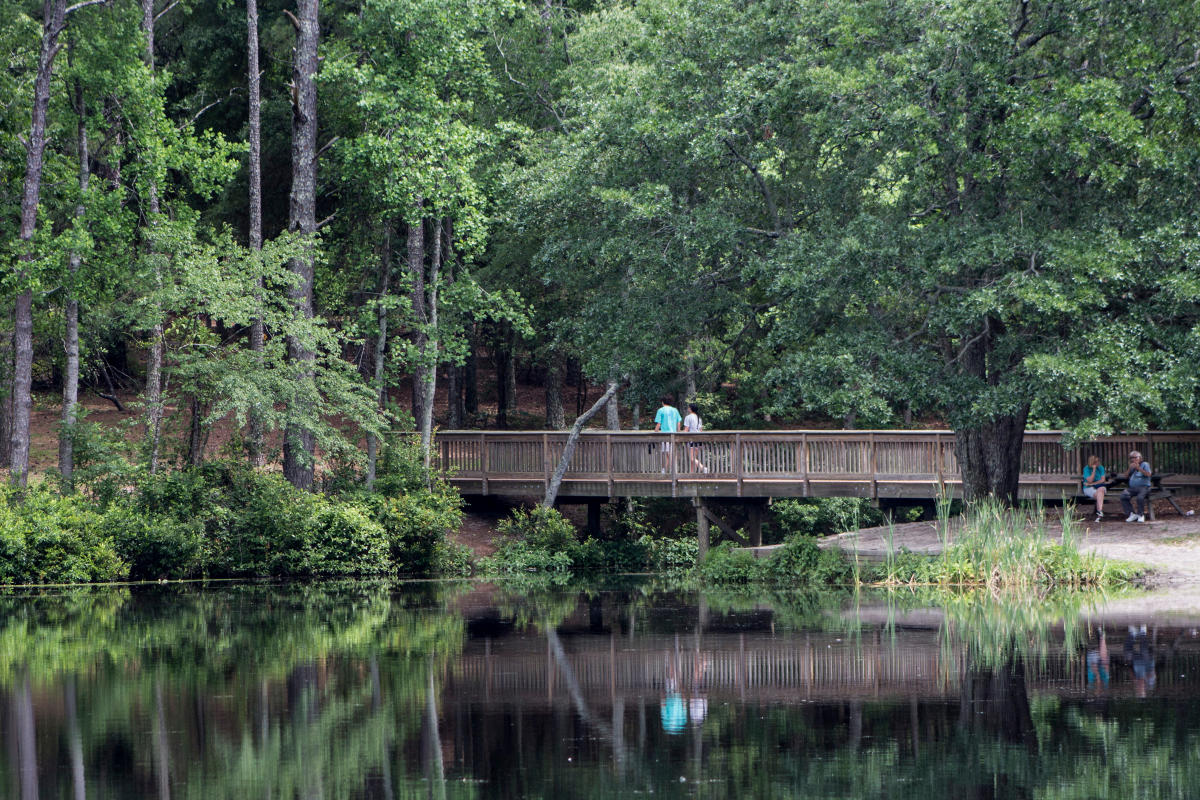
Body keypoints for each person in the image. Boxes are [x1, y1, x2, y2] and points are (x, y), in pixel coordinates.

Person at [1120, 450, 1152, 523]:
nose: (1133, 459)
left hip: (1144, 487)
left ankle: (1140, 515)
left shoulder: (1145, 464)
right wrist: (1129, 469)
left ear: (1140, 458)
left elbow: (1148, 474)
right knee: (1123, 496)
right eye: (1131, 458)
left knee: (1140, 498)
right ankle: (1131, 514)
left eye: (1135, 457)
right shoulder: (1132, 466)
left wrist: (1138, 468)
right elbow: (1125, 476)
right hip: (1133, 488)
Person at [654, 395, 682, 473]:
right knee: (668, 453)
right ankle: (665, 470)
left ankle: (672, 470)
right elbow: (678, 423)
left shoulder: (661, 410)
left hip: (665, 435)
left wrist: (655, 432)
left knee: (668, 453)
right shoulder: (675, 410)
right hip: (674, 434)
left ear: (662, 402)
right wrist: (678, 433)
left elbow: (658, 424)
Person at [682, 403, 708, 473]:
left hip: (691, 439)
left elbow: (686, 429)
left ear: (691, 409)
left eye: (688, 408)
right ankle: (692, 473)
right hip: (698, 439)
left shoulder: (688, 417)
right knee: (693, 458)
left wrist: (681, 436)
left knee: (691, 458)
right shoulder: (699, 418)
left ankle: (703, 468)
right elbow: (701, 430)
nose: (688, 409)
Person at [1082, 454, 1107, 521]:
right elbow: (1090, 479)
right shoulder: (1086, 469)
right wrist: (1094, 470)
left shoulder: (1101, 467)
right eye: (1096, 462)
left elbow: (1103, 480)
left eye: (1098, 461)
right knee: (1099, 495)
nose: (1098, 463)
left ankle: (1099, 512)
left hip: (1099, 486)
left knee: (1101, 490)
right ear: (1092, 463)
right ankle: (1100, 513)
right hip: (1088, 488)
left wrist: (1092, 484)